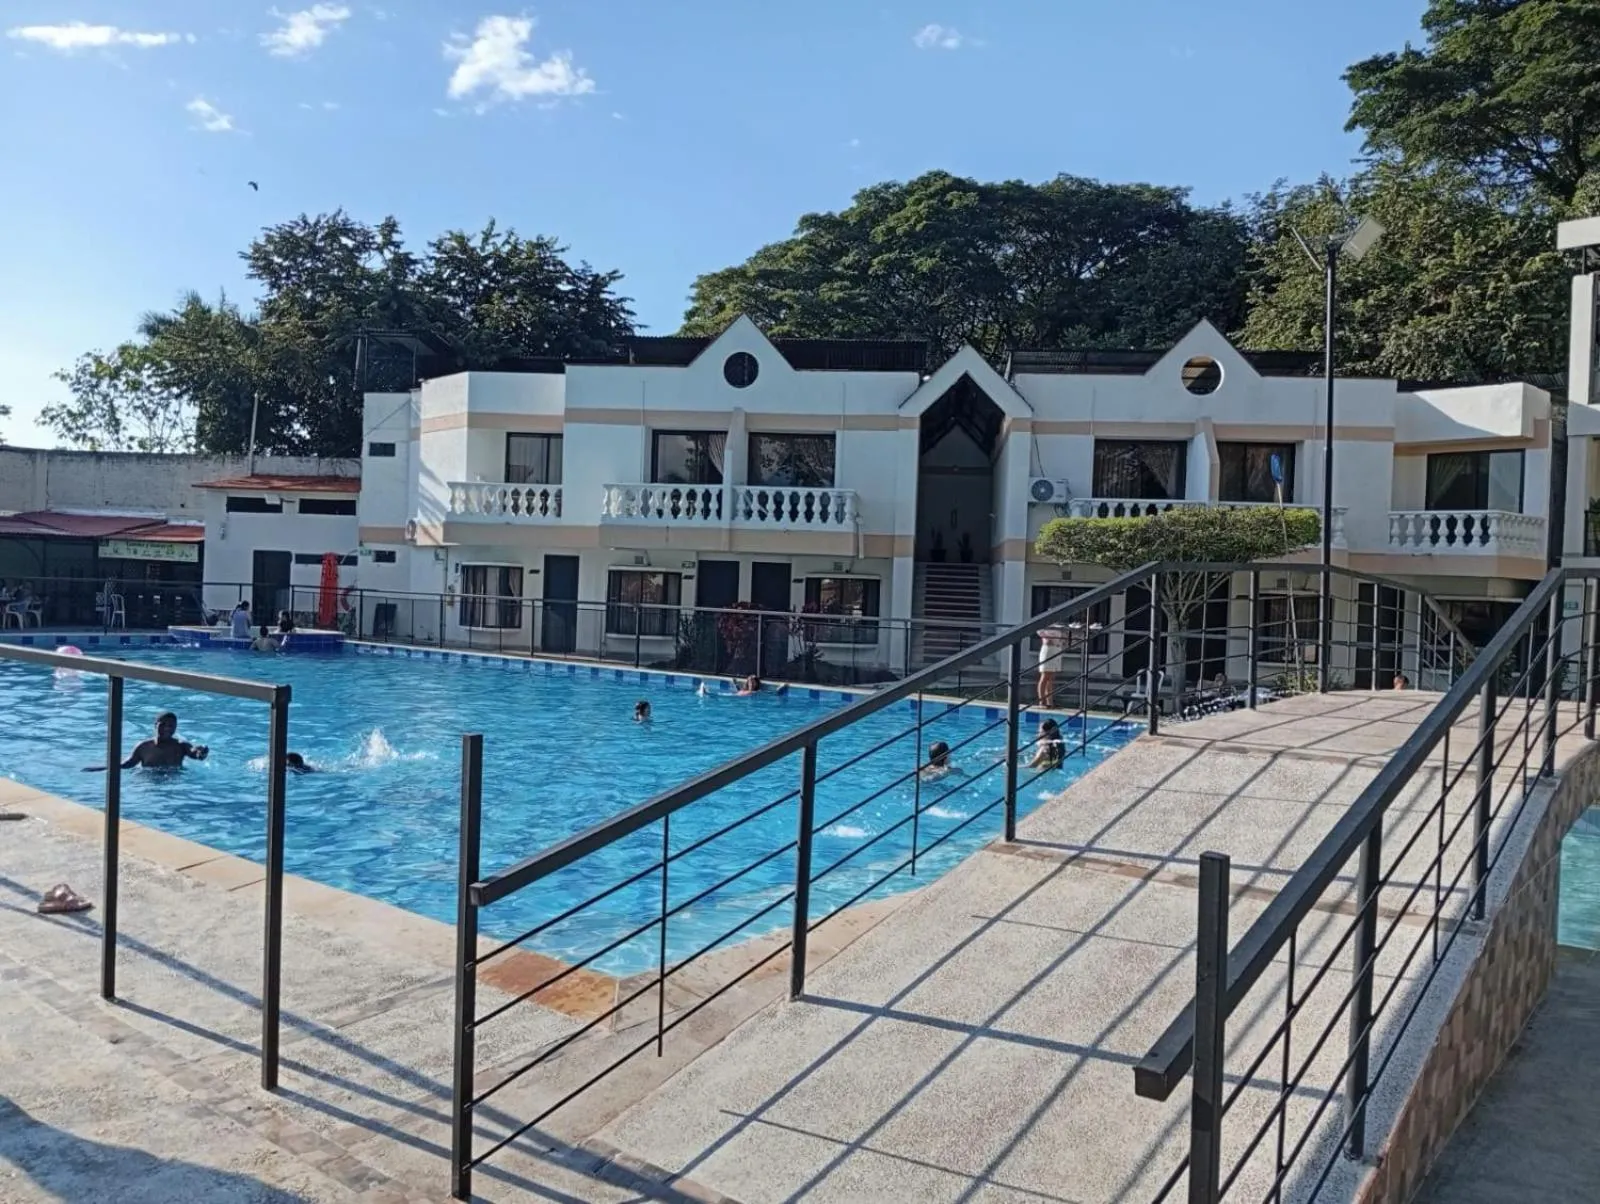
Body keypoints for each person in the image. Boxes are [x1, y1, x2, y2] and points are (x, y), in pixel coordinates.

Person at [86, 712, 209, 771]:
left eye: (171, 726)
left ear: (175, 728)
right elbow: (126, 765)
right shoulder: (144, 747)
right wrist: (100, 769)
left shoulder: (181, 746)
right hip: (149, 783)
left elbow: (195, 754)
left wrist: (201, 752)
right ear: (155, 725)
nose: (167, 728)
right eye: (163, 724)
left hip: (174, 782)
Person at [1037, 624, 1066, 707]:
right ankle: (1042, 701)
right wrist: (1048, 637)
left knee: (1051, 677)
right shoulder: (1046, 623)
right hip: (1048, 648)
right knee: (1045, 676)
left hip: (1056, 649)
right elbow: (1039, 631)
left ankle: (1050, 701)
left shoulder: (1058, 625)